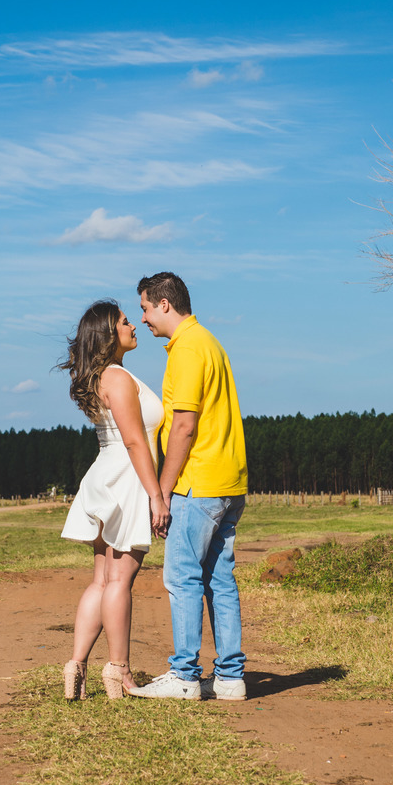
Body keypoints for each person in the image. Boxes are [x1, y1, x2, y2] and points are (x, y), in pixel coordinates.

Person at [129, 272, 249, 701]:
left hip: (198, 483)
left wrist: (160, 491)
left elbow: (183, 425)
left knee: (181, 577)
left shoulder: (186, 350)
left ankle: (184, 676)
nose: (142, 318)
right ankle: (231, 678)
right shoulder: (210, 342)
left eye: (144, 307)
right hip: (229, 480)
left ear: (164, 304)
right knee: (219, 579)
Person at [59, 300, 167, 700]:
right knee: (120, 581)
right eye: (125, 321)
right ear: (109, 334)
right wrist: (156, 495)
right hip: (126, 480)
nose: (133, 325)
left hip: (107, 475)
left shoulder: (103, 377)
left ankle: (76, 667)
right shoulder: (117, 377)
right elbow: (136, 440)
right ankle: (119, 672)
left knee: (102, 580)